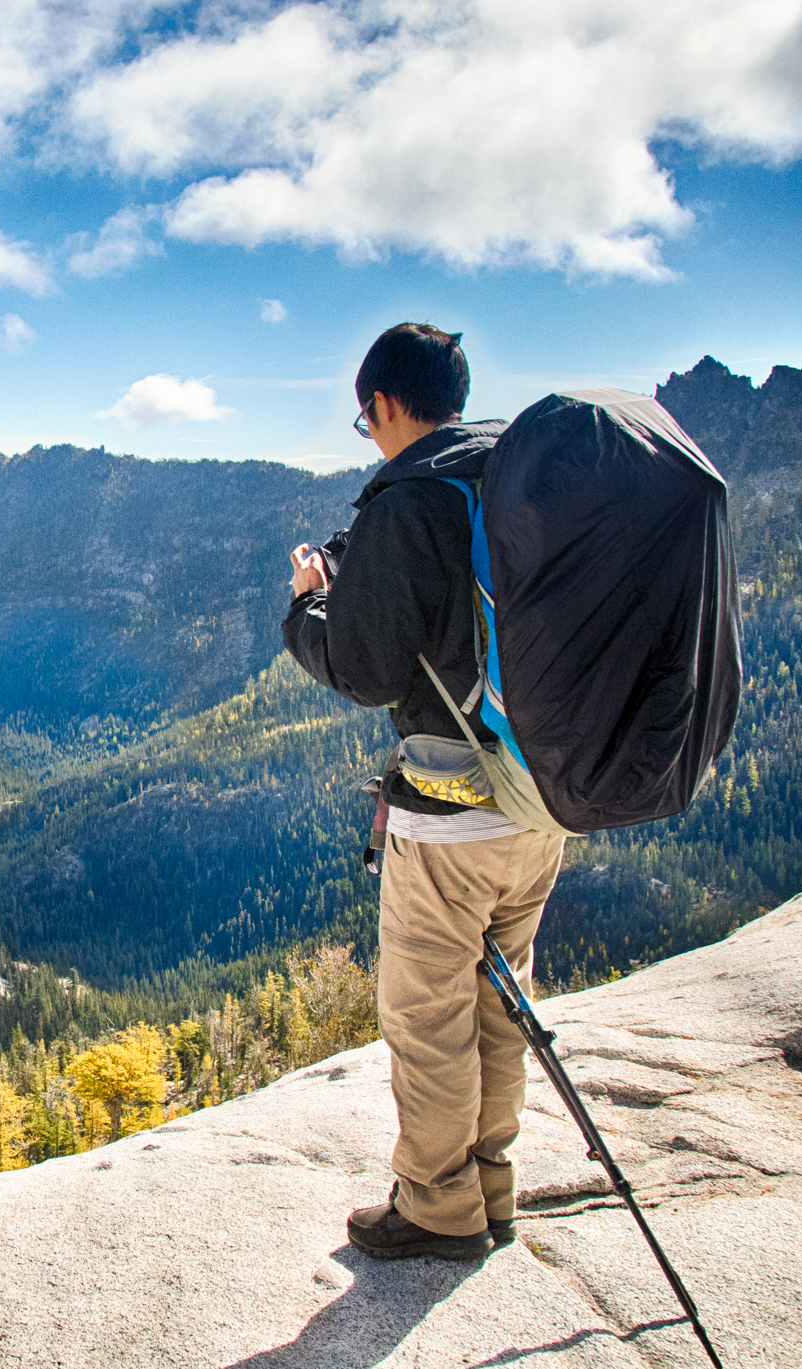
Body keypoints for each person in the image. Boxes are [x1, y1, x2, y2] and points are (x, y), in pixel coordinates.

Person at [282, 323, 566, 1262]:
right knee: (502, 1000)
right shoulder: (521, 476)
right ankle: (493, 1184)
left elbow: (364, 664)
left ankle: (440, 1210)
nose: (371, 436)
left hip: (450, 817)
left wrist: (306, 609)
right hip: (541, 801)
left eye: (367, 421)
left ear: (392, 405)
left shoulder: (410, 502)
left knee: (428, 1014)